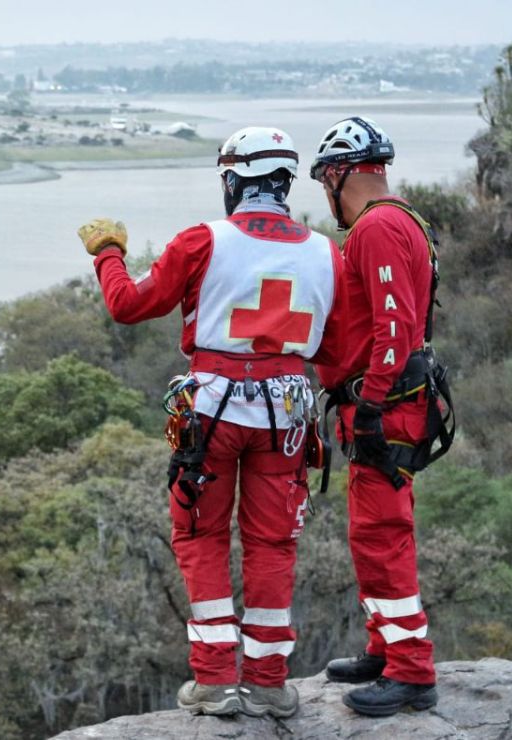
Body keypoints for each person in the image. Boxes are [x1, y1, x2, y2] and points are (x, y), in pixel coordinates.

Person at [76, 126, 345, 719]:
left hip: (211, 411)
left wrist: (107, 253)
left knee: (201, 536)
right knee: (273, 543)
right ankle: (269, 683)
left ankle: (216, 680)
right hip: (286, 415)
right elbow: (337, 350)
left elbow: (128, 305)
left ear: (233, 181)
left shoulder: (203, 240)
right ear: (284, 184)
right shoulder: (327, 253)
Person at [309, 116, 443, 717]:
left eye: (325, 182)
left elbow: (393, 326)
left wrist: (369, 405)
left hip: (385, 407)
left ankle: (411, 670)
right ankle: (386, 648)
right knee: (372, 532)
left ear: (338, 176)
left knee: (382, 535)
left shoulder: (377, 227)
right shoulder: (403, 218)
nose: (326, 194)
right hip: (393, 402)